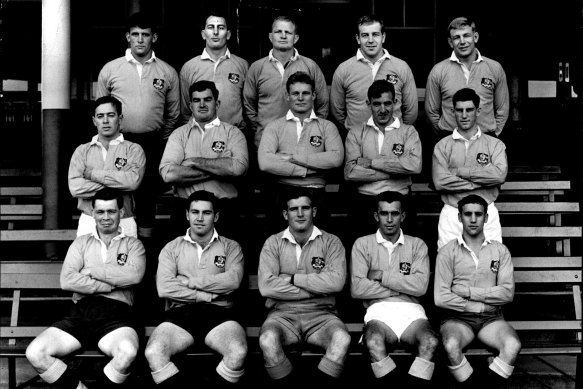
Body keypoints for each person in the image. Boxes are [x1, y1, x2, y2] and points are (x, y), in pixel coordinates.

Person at [25, 189, 146, 389]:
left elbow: (134, 276)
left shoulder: (134, 245)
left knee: (128, 352)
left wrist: (90, 271)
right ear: (92, 213)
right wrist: (109, 284)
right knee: (36, 352)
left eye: (111, 211)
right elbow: (67, 280)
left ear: (121, 213)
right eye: (100, 212)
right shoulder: (81, 243)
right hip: (81, 314)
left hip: (118, 317)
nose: (105, 218)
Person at [144, 190, 247, 388]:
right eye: (195, 212)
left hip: (220, 314)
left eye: (206, 213)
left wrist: (189, 282)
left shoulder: (231, 247)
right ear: (187, 214)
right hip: (179, 314)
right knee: (154, 352)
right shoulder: (171, 248)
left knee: (238, 352)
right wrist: (208, 294)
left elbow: (233, 281)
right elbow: (164, 287)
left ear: (216, 216)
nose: (199, 218)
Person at [96, 11, 180, 240]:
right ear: (127, 37)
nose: (140, 39)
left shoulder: (167, 72)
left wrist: (159, 139)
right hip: (118, 143)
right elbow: (101, 109)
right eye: (135, 34)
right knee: (115, 194)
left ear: (154, 38)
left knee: (146, 198)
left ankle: (145, 249)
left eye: (145, 34)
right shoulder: (110, 69)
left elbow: (173, 114)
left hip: (151, 143)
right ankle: (117, 245)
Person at [257, 188, 351, 386]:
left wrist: (291, 279)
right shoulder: (273, 243)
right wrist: (317, 288)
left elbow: (336, 283)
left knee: (341, 339)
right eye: (294, 209)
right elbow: (266, 287)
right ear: (285, 214)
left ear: (314, 211)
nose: (300, 214)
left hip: (322, 315)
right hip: (282, 315)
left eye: (305, 208)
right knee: (267, 340)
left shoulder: (331, 242)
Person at [351, 191, 438, 387]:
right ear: (376, 216)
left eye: (395, 213)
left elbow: (420, 287)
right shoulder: (362, 244)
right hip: (379, 312)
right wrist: (400, 288)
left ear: (403, 216)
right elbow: (357, 288)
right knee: (373, 342)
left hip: (412, 313)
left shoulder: (417, 245)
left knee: (431, 342)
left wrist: (382, 276)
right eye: (384, 213)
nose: (389, 220)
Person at [434, 194, 521, 387]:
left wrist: (469, 292)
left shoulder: (500, 250)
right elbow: (441, 298)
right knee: (450, 345)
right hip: (457, 318)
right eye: (467, 214)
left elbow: (507, 293)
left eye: (478, 214)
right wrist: (479, 307)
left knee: (513, 345)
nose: (473, 219)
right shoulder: (447, 252)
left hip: (491, 319)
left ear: (486, 218)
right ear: (459, 217)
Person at [159, 80, 248, 239]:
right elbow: (168, 174)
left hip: (224, 209)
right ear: (190, 105)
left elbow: (238, 168)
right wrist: (220, 168)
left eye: (207, 99)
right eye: (196, 100)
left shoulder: (233, 133)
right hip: (185, 209)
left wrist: (193, 161)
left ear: (217, 103)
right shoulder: (179, 135)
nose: (202, 104)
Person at [257, 71, 343, 233]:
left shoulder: (326, 127)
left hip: (317, 193)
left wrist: (292, 158)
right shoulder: (274, 127)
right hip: (282, 193)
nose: (301, 98)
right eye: (295, 93)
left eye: (305, 93)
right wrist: (311, 168)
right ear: (288, 96)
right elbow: (265, 163)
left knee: (319, 245)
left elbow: (335, 158)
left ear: (314, 95)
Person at [344, 79, 422, 242]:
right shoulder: (356, 132)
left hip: (400, 201)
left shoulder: (408, 132)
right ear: (368, 103)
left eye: (387, 103)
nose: (383, 109)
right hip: (366, 202)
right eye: (377, 104)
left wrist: (372, 163)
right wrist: (396, 171)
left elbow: (414, 166)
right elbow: (351, 173)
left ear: (395, 102)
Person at [432, 87, 507, 250]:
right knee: (449, 266)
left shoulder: (495, 145)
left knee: (490, 263)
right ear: (453, 111)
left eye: (469, 110)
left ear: (478, 111)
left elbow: (499, 175)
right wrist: (482, 183)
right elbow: (440, 182)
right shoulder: (442, 146)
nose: (464, 115)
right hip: (452, 213)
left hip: (486, 212)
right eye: (459, 110)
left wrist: (461, 172)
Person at [243, 15, 329, 151]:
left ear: (296, 38)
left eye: (288, 32)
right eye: (278, 32)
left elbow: (322, 105)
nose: (283, 36)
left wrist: (313, 131)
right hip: (266, 143)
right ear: (271, 37)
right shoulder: (256, 68)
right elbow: (249, 105)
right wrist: (261, 128)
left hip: (303, 144)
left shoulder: (310, 66)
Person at [68, 95, 146, 238]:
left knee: (125, 260)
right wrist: (118, 183)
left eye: (111, 115)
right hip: (89, 220)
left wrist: (92, 174)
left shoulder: (134, 149)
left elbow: (133, 181)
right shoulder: (82, 151)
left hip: (124, 219)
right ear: (94, 120)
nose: (105, 121)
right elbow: (75, 187)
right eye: (100, 116)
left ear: (120, 119)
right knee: (89, 260)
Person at [330, 15, 418, 135]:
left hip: (393, 139)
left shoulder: (401, 67)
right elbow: (337, 111)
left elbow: (411, 111)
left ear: (383, 37)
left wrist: (397, 133)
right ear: (358, 39)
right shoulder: (343, 70)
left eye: (375, 34)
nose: (370, 40)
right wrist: (354, 131)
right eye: (365, 35)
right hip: (357, 141)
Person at [425, 16, 509, 138]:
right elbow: (431, 111)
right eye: (456, 37)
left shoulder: (494, 68)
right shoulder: (438, 71)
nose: (462, 41)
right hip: (450, 139)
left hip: (486, 138)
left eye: (466, 35)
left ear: (475, 37)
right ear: (450, 42)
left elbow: (502, 109)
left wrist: (493, 135)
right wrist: (446, 137)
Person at [179, 12, 248, 130]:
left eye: (221, 28)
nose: (215, 32)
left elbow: (249, 106)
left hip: (233, 135)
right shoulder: (189, 67)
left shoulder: (242, 65)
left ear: (228, 34)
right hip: (199, 134)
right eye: (211, 27)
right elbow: (185, 110)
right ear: (203, 34)